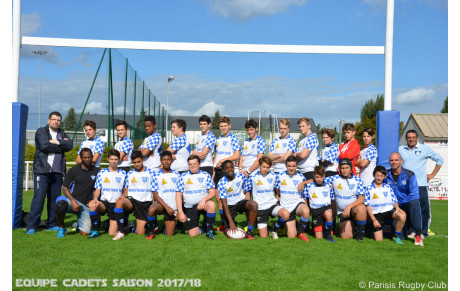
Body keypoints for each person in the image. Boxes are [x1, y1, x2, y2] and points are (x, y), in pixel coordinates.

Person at [26, 111, 74, 235]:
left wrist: (56, 142)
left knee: (54, 200)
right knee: (39, 199)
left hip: (57, 172)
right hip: (42, 171)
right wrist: (60, 146)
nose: (56, 122)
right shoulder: (41, 131)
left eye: (58, 120)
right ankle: (32, 225)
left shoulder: (62, 133)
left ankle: (52, 224)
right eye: (54, 119)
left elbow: (70, 145)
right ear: (49, 120)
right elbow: (43, 146)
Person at [399, 130, 444, 238]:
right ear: (406, 138)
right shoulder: (400, 149)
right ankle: (411, 231)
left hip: (421, 184)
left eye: (413, 137)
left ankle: (423, 232)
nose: (411, 139)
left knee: (424, 209)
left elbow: (440, 160)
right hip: (406, 185)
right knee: (408, 208)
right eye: (409, 137)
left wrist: (432, 174)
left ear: (417, 138)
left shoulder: (424, 149)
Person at [55, 148, 100, 238]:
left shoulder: (97, 171)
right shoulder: (73, 170)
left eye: (89, 157)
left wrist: (94, 200)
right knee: (60, 204)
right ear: (81, 158)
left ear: (92, 157)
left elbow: (99, 188)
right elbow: (65, 188)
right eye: (85, 157)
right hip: (72, 201)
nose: (87, 159)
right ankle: (61, 228)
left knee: (85, 234)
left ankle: (79, 224)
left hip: (86, 205)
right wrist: (73, 200)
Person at [112, 151, 156, 240]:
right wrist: (122, 196)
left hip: (144, 203)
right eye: (134, 162)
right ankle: (120, 231)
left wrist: (154, 203)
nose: (136, 164)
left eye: (138, 162)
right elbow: (127, 189)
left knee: (140, 233)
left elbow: (154, 190)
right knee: (119, 201)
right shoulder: (130, 174)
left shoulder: (151, 173)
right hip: (132, 201)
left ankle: (131, 227)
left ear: (143, 160)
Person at [244, 157, 289, 239]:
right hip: (260, 208)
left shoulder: (274, 176)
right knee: (263, 236)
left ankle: (274, 230)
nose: (265, 169)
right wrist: (249, 205)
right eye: (264, 167)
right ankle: (268, 228)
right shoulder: (252, 177)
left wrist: (279, 199)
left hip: (272, 205)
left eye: (267, 167)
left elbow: (277, 190)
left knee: (286, 214)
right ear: (259, 166)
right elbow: (247, 191)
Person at [385, 152, 424, 246]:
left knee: (414, 203)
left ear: (401, 161)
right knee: (401, 237)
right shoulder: (385, 175)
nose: (394, 162)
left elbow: (414, 194)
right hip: (393, 206)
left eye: (396, 160)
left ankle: (418, 235)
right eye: (391, 160)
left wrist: (402, 204)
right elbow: (375, 186)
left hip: (406, 204)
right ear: (389, 162)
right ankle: (404, 231)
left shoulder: (409, 174)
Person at [324, 158, 367, 241]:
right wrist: (303, 183)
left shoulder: (357, 180)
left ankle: (360, 236)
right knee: (346, 237)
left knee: (361, 208)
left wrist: (349, 207)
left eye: (347, 168)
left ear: (351, 168)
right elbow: (319, 180)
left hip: (353, 210)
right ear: (340, 169)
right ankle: (350, 226)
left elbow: (362, 198)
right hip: (342, 212)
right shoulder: (335, 178)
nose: (344, 170)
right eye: (342, 168)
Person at [176, 155, 217, 240]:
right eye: (190, 164)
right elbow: (178, 196)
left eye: (194, 163)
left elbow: (213, 192)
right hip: (190, 207)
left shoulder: (206, 175)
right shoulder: (182, 176)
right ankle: (205, 228)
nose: (192, 166)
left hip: (203, 204)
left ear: (199, 164)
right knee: (193, 234)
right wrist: (180, 212)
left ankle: (209, 231)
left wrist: (203, 200)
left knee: (211, 205)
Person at [88, 149, 126, 238]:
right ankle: (95, 230)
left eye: (116, 159)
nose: (113, 162)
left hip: (116, 204)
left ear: (119, 160)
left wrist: (122, 197)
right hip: (104, 203)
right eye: (111, 159)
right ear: (108, 159)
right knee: (92, 205)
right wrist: (95, 199)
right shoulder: (102, 173)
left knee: (112, 233)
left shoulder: (123, 173)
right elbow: (98, 189)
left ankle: (108, 222)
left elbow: (125, 189)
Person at [364, 165, 406, 244]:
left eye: (381, 176)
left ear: (385, 176)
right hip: (377, 215)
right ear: (374, 175)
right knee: (379, 240)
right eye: (377, 175)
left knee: (402, 215)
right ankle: (371, 229)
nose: (379, 178)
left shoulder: (388, 187)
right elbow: (367, 206)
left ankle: (396, 236)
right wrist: (374, 220)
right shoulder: (369, 188)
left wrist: (397, 208)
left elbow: (394, 201)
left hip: (389, 212)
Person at [213, 116, 240, 231]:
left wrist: (223, 161)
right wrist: (214, 170)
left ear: (229, 126)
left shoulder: (233, 138)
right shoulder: (217, 140)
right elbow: (216, 156)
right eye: (221, 126)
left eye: (225, 126)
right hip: (218, 171)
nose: (223, 128)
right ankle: (224, 223)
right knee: (218, 198)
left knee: (226, 198)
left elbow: (237, 155)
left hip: (227, 170)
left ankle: (230, 221)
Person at [218, 160, 258, 239]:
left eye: (231, 167)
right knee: (230, 233)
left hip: (240, 202)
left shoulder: (240, 176)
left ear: (234, 168)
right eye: (227, 168)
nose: (230, 169)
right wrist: (231, 222)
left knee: (253, 205)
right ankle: (232, 222)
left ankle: (250, 230)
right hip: (229, 206)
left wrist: (245, 190)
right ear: (223, 170)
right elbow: (224, 204)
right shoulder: (221, 183)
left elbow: (248, 182)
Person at [274, 156, 311, 242]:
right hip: (286, 207)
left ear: (297, 166)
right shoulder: (280, 176)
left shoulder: (301, 177)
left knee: (306, 211)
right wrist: (277, 194)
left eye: (293, 166)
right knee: (291, 236)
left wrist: (304, 182)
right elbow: (276, 188)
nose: (291, 168)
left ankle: (301, 232)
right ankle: (292, 223)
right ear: (286, 166)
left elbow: (314, 180)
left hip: (297, 204)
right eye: (289, 166)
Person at [145, 151, 181, 238]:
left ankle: (162, 228)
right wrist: (167, 207)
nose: (166, 162)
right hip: (161, 205)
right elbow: (155, 195)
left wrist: (178, 210)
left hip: (173, 206)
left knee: (169, 234)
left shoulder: (177, 174)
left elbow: (180, 193)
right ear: (161, 161)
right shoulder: (156, 175)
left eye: (168, 160)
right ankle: (150, 230)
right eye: (164, 160)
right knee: (152, 209)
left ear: (171, 160)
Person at [303, 165, 335, 242]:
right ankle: (322, 230)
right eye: (317, 177)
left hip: (326, 208)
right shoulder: (309, 186)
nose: (319, 179)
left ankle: (328, 235)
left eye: (321, 177)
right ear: (314, 176)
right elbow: (305, 199)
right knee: (319, 237)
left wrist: (333, 212)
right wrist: (307, 209)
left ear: (324, 176)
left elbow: (332, 198)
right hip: (316, 211)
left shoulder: (328, 186)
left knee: (328, 214)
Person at [293, 117, 319, 184]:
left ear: (309, 126)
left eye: (303, 126)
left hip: (310, 171)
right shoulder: (302, 141)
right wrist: (298, 154)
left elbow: (303, 155)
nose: (301, 128)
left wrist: (297, 154)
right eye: (300, 126)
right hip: (301, 170)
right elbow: (295, 156)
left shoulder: (312, 138)